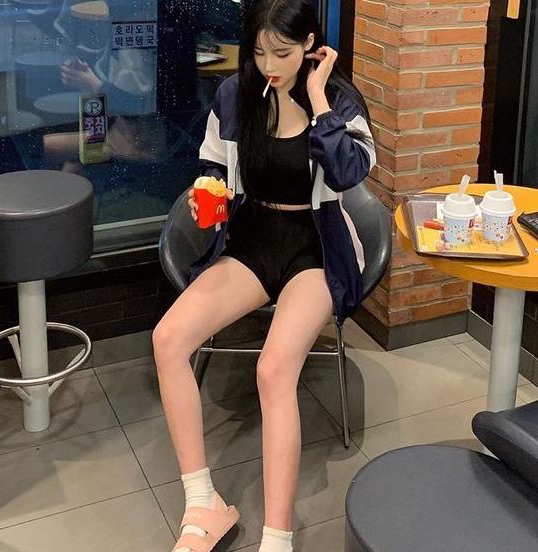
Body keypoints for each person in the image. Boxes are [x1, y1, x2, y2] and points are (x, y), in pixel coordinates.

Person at [152, 1, 376, 551]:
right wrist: (208, 191)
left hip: (316, 246)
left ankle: (278, 538)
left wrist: (318, 98)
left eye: (282, 52)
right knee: (168, 339)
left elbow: (348, 173)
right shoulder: (236, 95)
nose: (269, 65)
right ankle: (202, 503)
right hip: (252, 239)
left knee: (274, 371)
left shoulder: (340, 101)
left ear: (310, 45)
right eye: (258, 52)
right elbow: (213, 164)